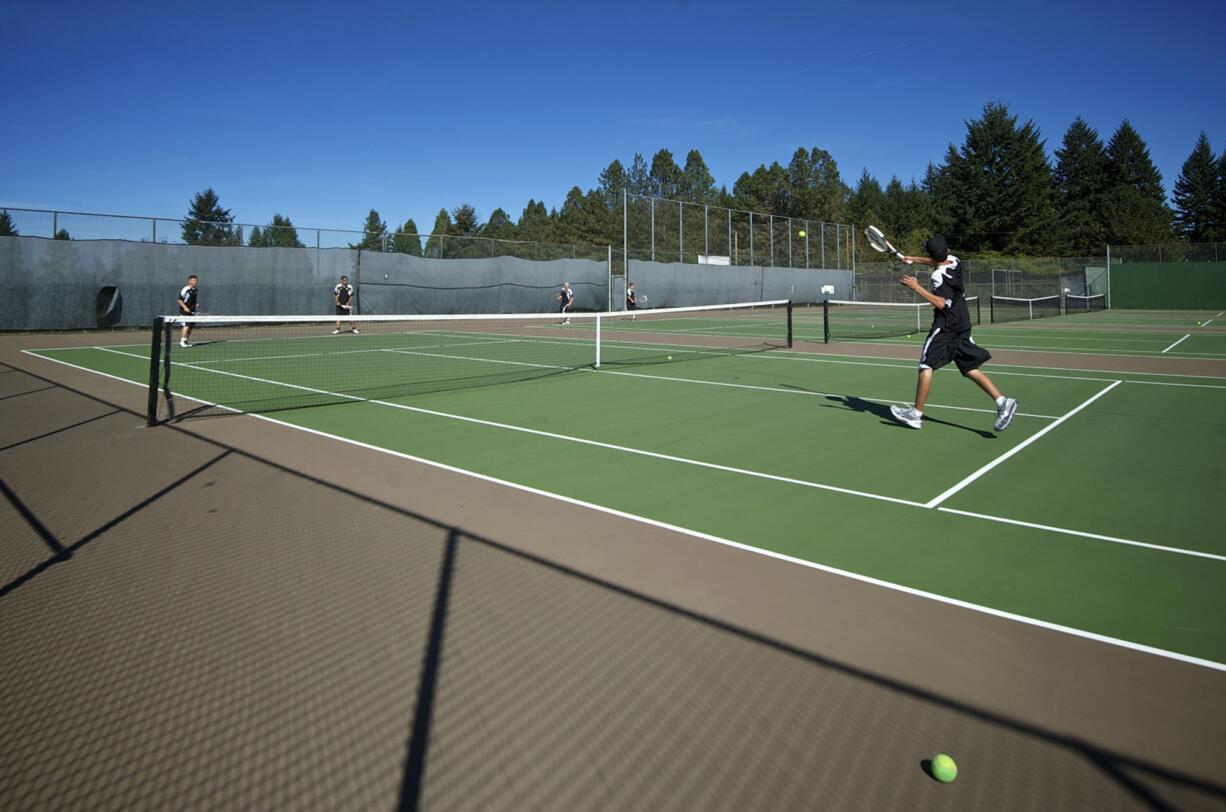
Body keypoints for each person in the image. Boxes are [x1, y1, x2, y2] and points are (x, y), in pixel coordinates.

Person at [889, 236, 1018, 432]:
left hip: (946, 325)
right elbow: (936, 261)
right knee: (968, 367)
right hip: (963, 321)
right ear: (947, 250)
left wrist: (916, 287)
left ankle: (916, 414)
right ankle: (1002, 402)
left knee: (926, 366)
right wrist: (912, 258)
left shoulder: (937, 277)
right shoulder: (955, 261)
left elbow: (941, 303)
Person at [177, 275, 199, 348]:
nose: (195, 282)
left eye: (196, 280)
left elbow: (190, 300)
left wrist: (195, 305)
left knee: (191, 326)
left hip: (192, 311)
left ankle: (186, 340)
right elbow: (179, 300)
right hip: (184, 311)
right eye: (194, 280)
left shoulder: (195, 290)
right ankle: (182, 341)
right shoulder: (186, 289)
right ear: (189, 281)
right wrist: (185, 307)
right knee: (187, 325)